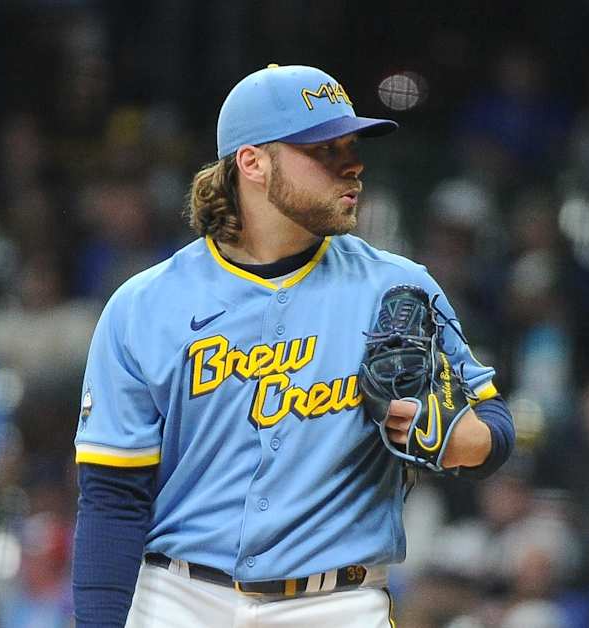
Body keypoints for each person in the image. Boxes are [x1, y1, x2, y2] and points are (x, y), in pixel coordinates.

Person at [71, 63, 515, 627]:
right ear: (252, 162)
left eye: (352, 146)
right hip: (177, 599)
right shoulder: (144, 306)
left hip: (336, 604)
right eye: (324, 149)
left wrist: (466, 440)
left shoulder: (397, 287)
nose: (352, 165)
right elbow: (112, 498)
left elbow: (494, 426)